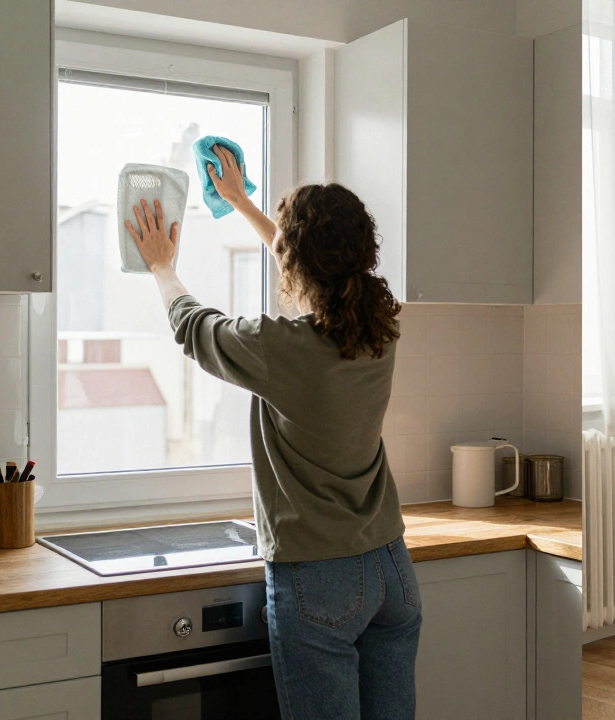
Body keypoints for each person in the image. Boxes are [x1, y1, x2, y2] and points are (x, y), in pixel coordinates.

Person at [125, 146, 422, 719]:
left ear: (295, 262)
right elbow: (317, 273)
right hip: (390, 569)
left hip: (319, 577)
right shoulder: (382, 328)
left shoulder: (279, 348)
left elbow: (193, 326)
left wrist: (162, 264)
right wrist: (241, 203)